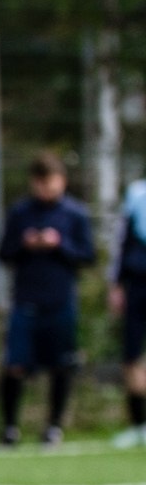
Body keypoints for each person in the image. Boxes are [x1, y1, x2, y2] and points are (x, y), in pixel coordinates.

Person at [0, 154, 93, 446]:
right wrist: (25, 244)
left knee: (59, 364)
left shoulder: (75, 213)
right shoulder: (21, 212)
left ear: (61, 181)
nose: (45, 190)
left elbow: (87, 256)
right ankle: (10, 427)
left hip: (60, 299)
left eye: (50, 183)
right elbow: (4, 253)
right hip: (25, 299)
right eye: (40, 184)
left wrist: (59, 244)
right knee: (14, 364)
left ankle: (53, 426)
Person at [115, 174, 146, 449]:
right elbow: (123, 241)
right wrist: (116, 283)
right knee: (132, 356)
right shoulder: (136, 193)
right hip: (138, 285)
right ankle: (139, 426)